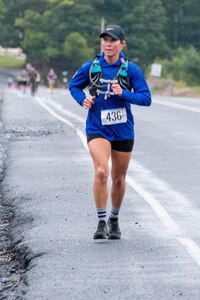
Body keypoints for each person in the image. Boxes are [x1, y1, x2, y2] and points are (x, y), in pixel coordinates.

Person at [69, 25, 151, 240]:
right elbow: (74, 86)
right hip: (97, 127)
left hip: (123, 130)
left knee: (119, 178)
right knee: (101, 172)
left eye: (112, 40)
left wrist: (123, 93)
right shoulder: (91, 67)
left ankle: (114, 219)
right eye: (104, 40)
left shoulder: (131, 70)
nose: (107, 44)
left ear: (122, 44)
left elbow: (146, 98)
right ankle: (100, 221)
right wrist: (82, 99)